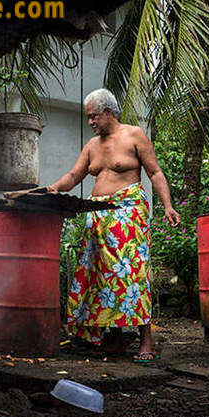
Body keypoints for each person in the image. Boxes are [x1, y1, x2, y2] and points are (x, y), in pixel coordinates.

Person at [47, 88, 180, 362]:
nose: (91, 122)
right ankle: (115, 337)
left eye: (94, 116)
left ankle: (146, 340)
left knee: (130, 274)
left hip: (127, 211)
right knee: (100, 276)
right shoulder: (92, 146)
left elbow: (154, 172)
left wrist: (167, 205)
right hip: (96, 215)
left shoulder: (134, 135)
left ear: (108, 111)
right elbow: (74, 175)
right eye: (88, 118)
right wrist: (53, 188)